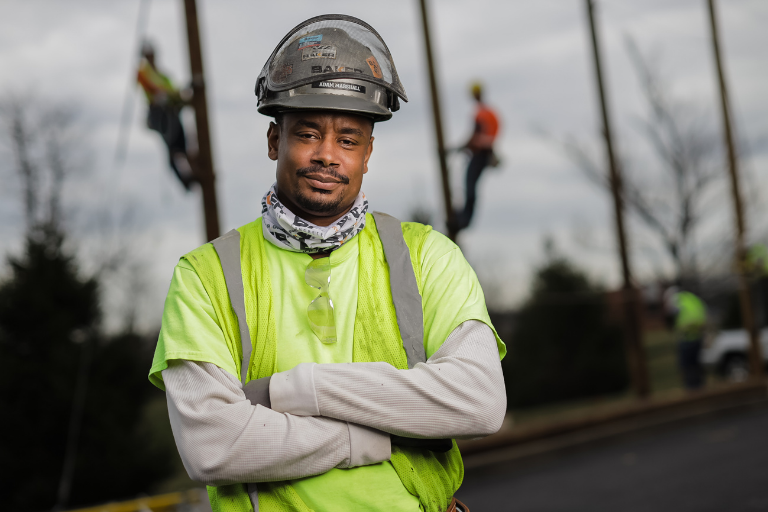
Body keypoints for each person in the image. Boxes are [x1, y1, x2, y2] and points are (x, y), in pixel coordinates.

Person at [148, 15, 506, 512]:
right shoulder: (205, 276)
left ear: (368, 153)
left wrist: (288, 391)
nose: (327, 156)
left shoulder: (428, 255)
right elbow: (215, 446)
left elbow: (478, 402)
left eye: (348, 140)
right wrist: (372, 437)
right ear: (275, 141)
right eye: (308, 133)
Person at [137, 41, 196, 191]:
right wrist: (175, 96)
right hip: (160, 115)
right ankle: (184, 179)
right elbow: (156, 89)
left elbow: (172, 90)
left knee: (181, 146)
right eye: (148, 55)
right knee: (172, 147)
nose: (151, 58)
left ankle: (192, 174)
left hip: (171, 113)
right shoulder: (143, 72)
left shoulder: (162, 75)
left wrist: (182, 95)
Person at [452, 82, 500, 232]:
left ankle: (464, 219)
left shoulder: (482, 114)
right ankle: (463, 217)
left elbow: (476, 135)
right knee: (470, 185)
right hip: (483, 153)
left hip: (481, 154)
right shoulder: (487, 112)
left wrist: (463, 146)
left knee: (470, 184)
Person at [663, 286, 707, 390]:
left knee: (686, 367)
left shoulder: (675, 299)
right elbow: (703, 310)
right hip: (697, 337)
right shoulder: (691, 297)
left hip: (685, 338)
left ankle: (691, 390)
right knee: (696, 365)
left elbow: (669, 314)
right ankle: (701, 388)